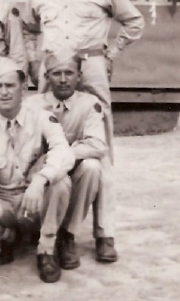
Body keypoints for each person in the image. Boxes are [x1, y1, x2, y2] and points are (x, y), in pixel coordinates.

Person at [22, 0, 145, 160]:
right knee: (44, 123)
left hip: (90, 66)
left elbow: (134, 21)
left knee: (99, 123)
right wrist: (34, 60)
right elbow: (28, 29)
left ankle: (103, 192)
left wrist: (111, 55)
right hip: (52, 69)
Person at [0, 57, 76, 283]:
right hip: (3, 201)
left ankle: (47, 249)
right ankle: (4, 239)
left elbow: (64, 152)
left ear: (23, 88)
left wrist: (41, 180)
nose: (4, 93)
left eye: (10, 86)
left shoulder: (42, 118)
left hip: (34, 199)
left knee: (61, 181)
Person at [25, 51, 116, 268]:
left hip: (72, 172)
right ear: (47, 77)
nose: (64, 79)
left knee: (93, 167)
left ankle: (67, 235)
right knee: (55, 180)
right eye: (57, 73)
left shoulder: (89, 104)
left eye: (69, 73)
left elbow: (98, 144)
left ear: (79, 76)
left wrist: (60, 157)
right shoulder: (33, 105)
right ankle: (41, 237)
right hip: (41, 178)